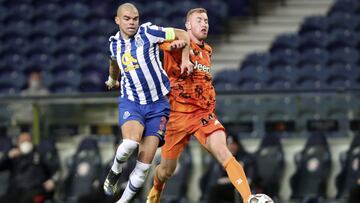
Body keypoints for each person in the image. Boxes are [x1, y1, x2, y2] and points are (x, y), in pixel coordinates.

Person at [146, 8, 252, 203]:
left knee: (224, 152)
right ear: (188, 25)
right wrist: (174, 45)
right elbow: (158, 41)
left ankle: (249, 198)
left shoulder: (207, 50)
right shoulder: (175, 41)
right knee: (166, 170)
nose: (204, 24)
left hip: (203, 115)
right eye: (199, 20)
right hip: (176, 116)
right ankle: (156, 188)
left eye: (206, 20)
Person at [103, 3, 193, 203]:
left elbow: (183, 34)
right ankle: (115, 171)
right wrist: (112, 80)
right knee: (130, 143)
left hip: (158, 105)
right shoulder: (114, 44)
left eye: (135, 18)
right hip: (132, 101)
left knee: (144, 166)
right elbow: (114, 63)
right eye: (127, 18)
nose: (132, 22)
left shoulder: (148, 32)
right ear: (117, 20)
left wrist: (185, 59)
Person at [0, 132, 59, 203]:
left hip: (34, 190)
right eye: (23, 141)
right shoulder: (14, 156)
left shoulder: (39, 154)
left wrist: (52, 180)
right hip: (15, 191)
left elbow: (54, 170)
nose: (25, 143)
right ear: (18, 143)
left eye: (28, 141)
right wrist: (8, 156)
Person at [201, 135, 257, 203]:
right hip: (228, 189)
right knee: (213, 189)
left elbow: (250, 179)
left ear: (238, 145)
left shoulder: (246, 158)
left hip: (243, 189)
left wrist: (232, 178)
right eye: (229, 144)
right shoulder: (224, 158)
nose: (231, 147)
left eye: (233, 144)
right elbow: (219, 180)